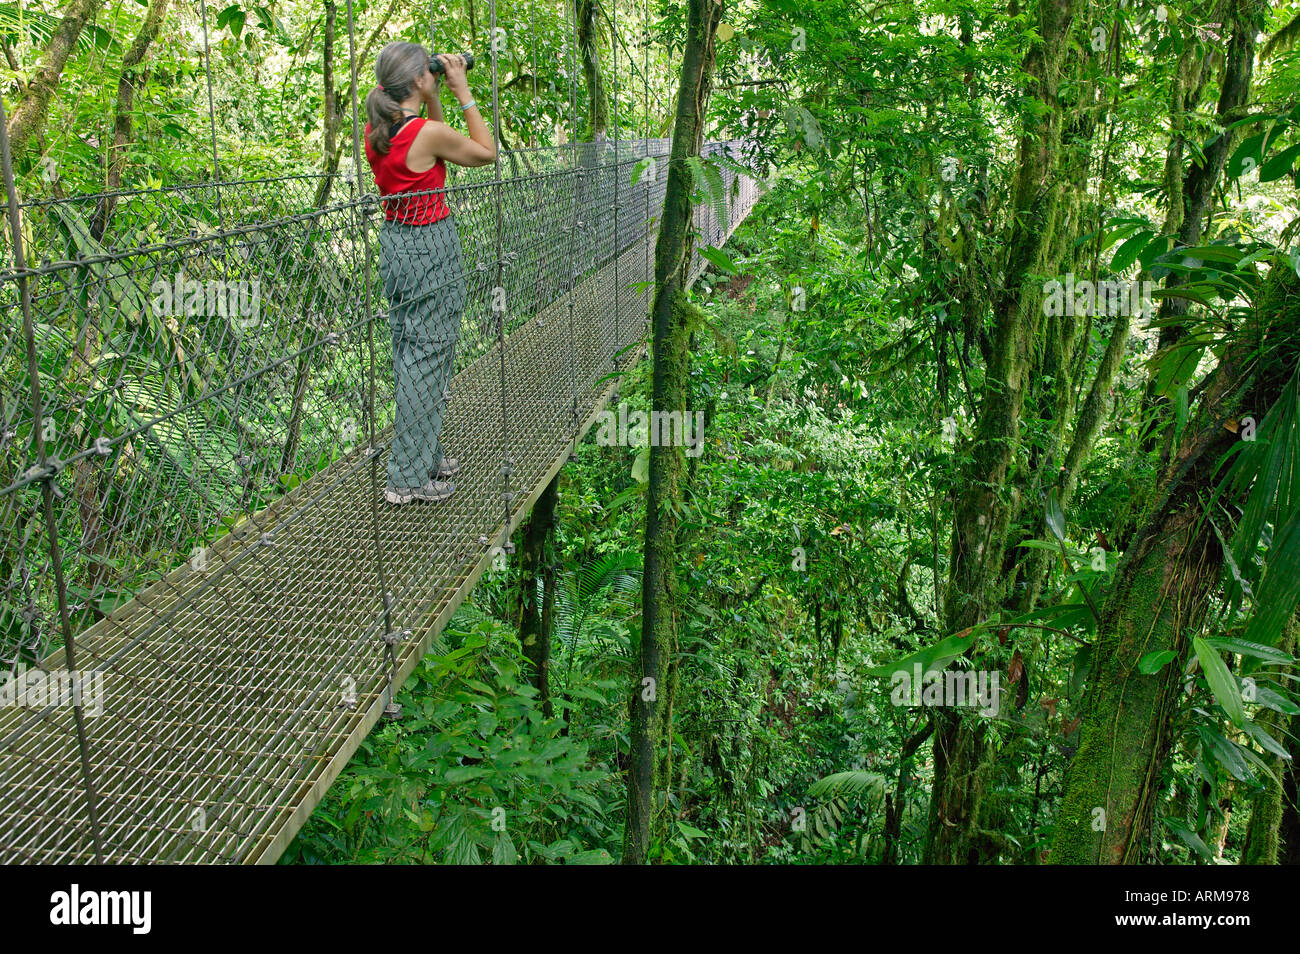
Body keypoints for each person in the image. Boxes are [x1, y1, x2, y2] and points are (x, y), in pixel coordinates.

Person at [363, 42, 496, 504]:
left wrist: (436, 88)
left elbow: (433, 129)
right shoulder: (424, 134)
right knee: (429, 356)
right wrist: (463, 91)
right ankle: (406, 478)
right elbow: (485, 152)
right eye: (431, 71)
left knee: (412, 354)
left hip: (396, 246)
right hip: (430, 249)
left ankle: (424, 455)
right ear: (420, 80)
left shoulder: (379, 130)